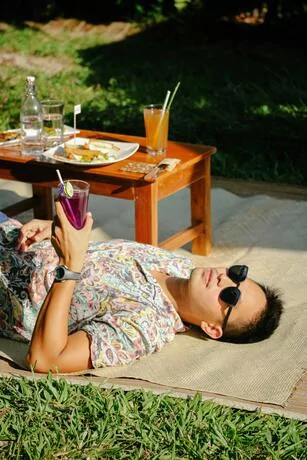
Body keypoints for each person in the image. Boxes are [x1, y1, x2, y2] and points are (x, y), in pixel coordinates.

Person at [0, 205, 284, 374]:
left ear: (212, 328)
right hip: (11, 234)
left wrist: (69, 265)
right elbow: (94, 252)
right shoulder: (176, 264)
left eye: (230, 296)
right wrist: (53, 232)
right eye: (238, 275)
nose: (225, 280)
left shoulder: (145, 327)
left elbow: (46, 360)